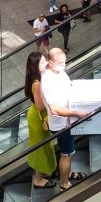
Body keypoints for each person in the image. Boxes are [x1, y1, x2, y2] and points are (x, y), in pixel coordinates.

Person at [41, 47, 89, 192]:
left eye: (64, 62)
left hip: (68, 120)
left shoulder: (58, 72)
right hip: (62, 124)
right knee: (67, 154)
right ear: (50, 62)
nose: (63, 65)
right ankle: (64, 184)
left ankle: (67, 174)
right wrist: (76, 113)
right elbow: (54, 108)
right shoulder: (48, 80)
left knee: (69, 152)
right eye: (60, 63)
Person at [24, 51, 57, 188]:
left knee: (44, 145)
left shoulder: (37, 77)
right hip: (38, 117)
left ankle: (43, 172)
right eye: (42, 62)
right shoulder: (37, 83)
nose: (45, 63)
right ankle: (38, 179)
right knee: (40, 148)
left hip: (37, 115)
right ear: (36, 66)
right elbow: (40, 105)